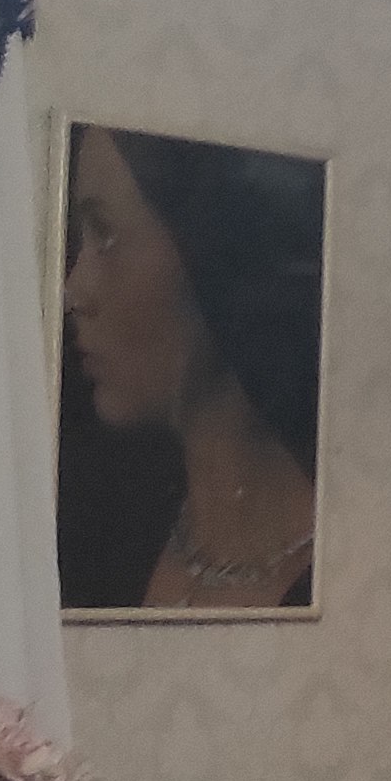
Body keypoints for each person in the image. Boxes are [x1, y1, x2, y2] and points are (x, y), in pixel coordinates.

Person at [57, 125, 324, 610]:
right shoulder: (99, 533)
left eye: (105, 233)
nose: (74, 291)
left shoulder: (347, 563)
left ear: (213, 252)